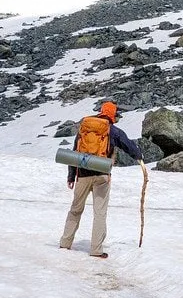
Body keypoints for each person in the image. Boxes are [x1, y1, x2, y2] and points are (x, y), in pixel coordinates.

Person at [59, 101, 143, 258]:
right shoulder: (113, 130)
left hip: (82, 175)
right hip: (102, 176)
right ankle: (96, 250)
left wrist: (71, 176)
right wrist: (139, 157)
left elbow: (75, 152)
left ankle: (65, 243)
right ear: (113, 114)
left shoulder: (85, 127)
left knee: (75, 210)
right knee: (99, 213)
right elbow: (129, 146)